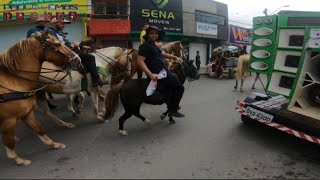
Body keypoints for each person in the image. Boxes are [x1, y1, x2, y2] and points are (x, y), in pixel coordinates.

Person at [137, 26, 185, 118]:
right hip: (158, 74)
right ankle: (173, 110)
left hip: (163, 71)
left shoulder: (153, 46)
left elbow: (163, 54)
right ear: (148, 35)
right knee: (180, 88)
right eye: (152, 33)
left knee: (174, 77)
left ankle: (170, 104)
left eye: (156, 33)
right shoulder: (144, 46)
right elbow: (140, 61)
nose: (154, 35)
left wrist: (175, 57)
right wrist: (150, 75)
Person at [48, 18, 102, 87]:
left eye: (64, 24)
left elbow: (67, 43)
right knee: (91, 57)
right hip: (63, 54)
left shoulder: (59, 33)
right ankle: (95, 80)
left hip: (69, 51)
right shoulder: (51, 32)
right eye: (62, 23)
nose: (64, 26)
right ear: (54, 24)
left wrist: (81, 47)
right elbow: (58, 44)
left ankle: (87, 77)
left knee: (87, 57)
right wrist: (72, 45)